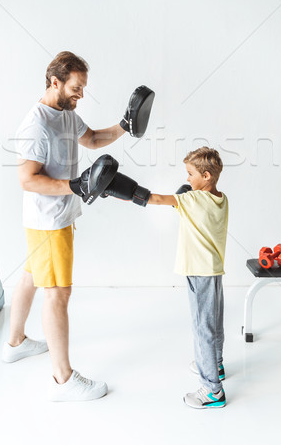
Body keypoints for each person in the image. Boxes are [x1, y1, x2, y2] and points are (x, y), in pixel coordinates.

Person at [2, 51, 154, 402]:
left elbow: (93, 139)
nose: (81, 94)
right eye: (76, 87)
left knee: (30, 274)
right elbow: (27, 180)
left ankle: (15, 343)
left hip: (54, 216)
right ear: (54, 81)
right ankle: (63, 379)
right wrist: (75, 186)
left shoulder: (66, 114)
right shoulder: (36, 124)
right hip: (49, 221)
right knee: (58, 293)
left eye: (83, 87)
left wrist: (124, 126)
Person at [90, 146, 228, 408]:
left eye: (190, 174)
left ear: (206, 176)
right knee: (214, 323)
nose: (187, 179)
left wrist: (114, 187)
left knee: (203, 329)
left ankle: (212, 391)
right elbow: (190, 206)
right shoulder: (220, 199)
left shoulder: (193, 201)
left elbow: (153, 199)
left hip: (198, 272)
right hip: (213, 270)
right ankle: (216, 365)